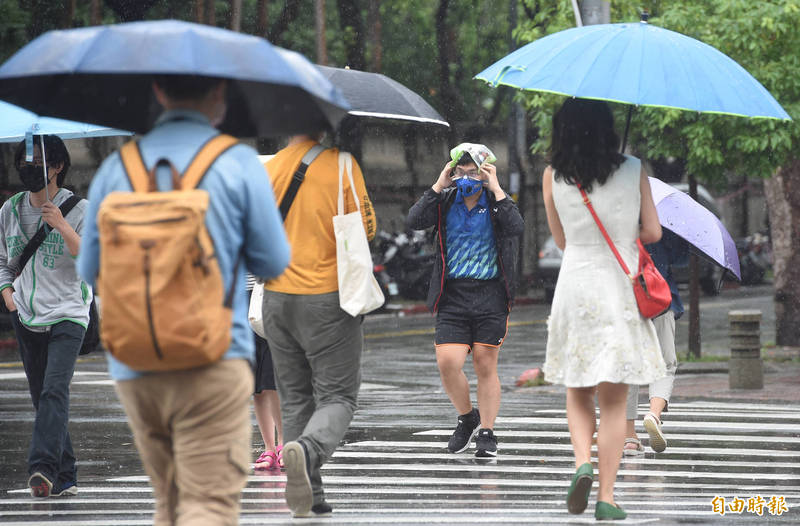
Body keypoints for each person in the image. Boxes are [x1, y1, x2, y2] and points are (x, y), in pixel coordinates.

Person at [76, 75, 290, 525]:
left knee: (169, 499)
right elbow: (272, 261)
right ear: (218, 97)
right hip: (214, 356)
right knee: (208, 503)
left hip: (139, 362)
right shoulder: (237, 162)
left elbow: (91, 268)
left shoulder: (122, 167)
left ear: (158, 93)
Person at [541, 98, 666, 521]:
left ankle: (582, 462)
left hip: (575, 285)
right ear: (608, 128)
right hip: (620, 287)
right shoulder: (634, 170)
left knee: (577, 388)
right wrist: (621, 224)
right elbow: (653, 231)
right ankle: (607, 498)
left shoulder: (552, 177)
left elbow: (561, 240)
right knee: (614, 400)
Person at [262, 133, 375, 518]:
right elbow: (367, 227)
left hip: (276, 298)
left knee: (294, 398)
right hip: (327, 297)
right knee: (339, 397)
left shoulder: (269, 167)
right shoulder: (341, 163)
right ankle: (308, 450)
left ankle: (310, 492)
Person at [407, 143, 524, 458]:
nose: (468, 178)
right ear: (454, 172)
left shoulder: (496, 202)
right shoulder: (445, 200)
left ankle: (487, 431)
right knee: (448, 362)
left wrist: (497, 188)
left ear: (485, 174)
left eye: (474, 173)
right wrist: (438, 185)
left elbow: (516, 228)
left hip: (490, 295)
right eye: (462, 172)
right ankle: (467, 416)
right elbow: (414, 220)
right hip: (453, 294)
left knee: (485, 363)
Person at [0, 135, 90, 498]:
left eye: (38, 161)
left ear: (57, 167)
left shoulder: (79, 209)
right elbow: (3, 261)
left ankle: (42, 467)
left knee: (55, 389)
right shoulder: (9, 211)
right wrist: (8, 296)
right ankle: (65, 473)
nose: (28, 167)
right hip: (26, 316)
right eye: (24, 161)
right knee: (42, 396)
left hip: (69, 313)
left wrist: (63, 226)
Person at [623, 230, 688, 455]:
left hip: (626, 300)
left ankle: (629, 437)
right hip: (659, 298)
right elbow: (680, 259)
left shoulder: (614, 216)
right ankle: (653, 414)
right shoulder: (661, 223)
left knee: (629, 368)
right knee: (665, 365)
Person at [246, 274, 284, 470]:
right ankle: (269, 447)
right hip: (238, 298)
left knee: (271, 377)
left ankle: (283, 444)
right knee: (256, 384)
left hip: (270, 292)